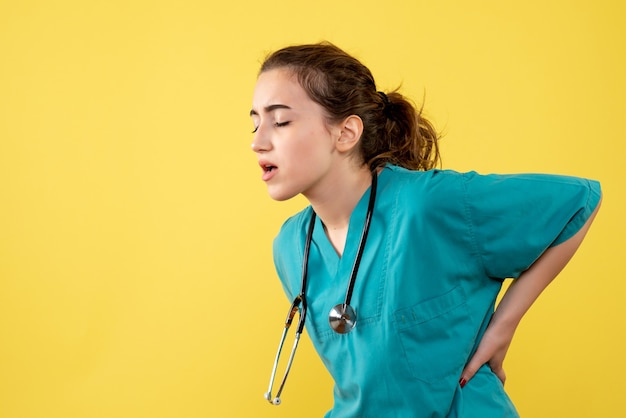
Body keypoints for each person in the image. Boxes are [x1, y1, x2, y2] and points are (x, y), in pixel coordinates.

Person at [249, 42, 602, 417]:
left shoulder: (425, 205)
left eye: (280, 121)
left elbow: (579, 200)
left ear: (346, 133)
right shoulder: (291, 247)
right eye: (254, 123)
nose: (257, 142)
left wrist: (504, 325)